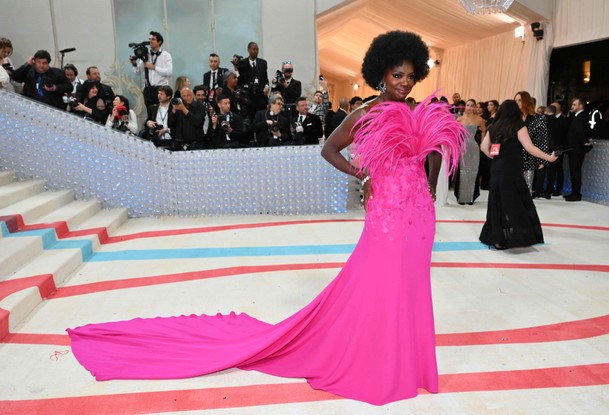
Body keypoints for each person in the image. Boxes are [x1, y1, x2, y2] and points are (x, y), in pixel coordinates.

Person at [66, 30, 463, 407]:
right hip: (388, 214)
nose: (404, 83)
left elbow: (429, 154)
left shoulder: (416, 110)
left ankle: (408, 361)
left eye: (411, 77)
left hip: (419, 214)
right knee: (382, 285)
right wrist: (363, 173)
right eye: (397, 75)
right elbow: (329, 149)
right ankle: (381, 361)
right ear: (381, 74)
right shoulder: (367, 111)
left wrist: (426, 186)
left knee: (410, 286)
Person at [479, 99, 557, 249]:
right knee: (515, 203)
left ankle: (497, 238)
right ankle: (516, 237)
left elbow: (483, 147)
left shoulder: (493, 127)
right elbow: (530, 148)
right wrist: (549, 158)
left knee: (496, 202)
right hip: (511, 170)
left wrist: (496, 158)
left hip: (496, 169)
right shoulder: (518, 126)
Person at [454, 99, 486, 204]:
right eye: (467, 105)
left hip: (474, 147)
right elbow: (455, 134)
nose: (469, 107)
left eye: (471, 105)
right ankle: (462, 197)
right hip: (462, 147)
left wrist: (482, 143)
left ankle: (470, 197)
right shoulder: (460, 119)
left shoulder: (479, 119)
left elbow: (484, 131)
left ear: (475, 107)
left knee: (473, 171)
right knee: (463, 171)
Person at [131, 31, 173, 108]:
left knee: (162, 110)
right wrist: (134, 64)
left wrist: (154, 67)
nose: (150, 41)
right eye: (149, 39)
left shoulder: (166, 55)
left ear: (159, 42)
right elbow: (138, 71)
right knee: (150, 112)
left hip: (161, 88)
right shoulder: (145, 54)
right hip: (148, 89)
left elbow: (169, 72)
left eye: (153, 39)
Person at [563, 97, 592, 202]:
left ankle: (576, 194)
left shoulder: (582, 116)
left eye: (574, 105)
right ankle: (574, 193)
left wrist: (584, 144)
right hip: (574, 149)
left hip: (576, 150)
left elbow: (580, 133)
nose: (572, 106)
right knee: (574, 172)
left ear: (581, 106)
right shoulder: (577, 116)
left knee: (575, 172)